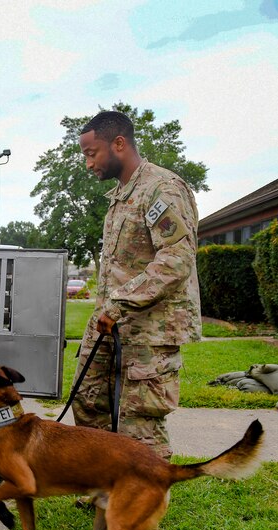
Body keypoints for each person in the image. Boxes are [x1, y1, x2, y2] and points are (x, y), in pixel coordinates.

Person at [72, 110, 201, 459]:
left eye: (91, 153)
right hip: (111, 321)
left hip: (149, 331)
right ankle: (104, 486)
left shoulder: (161, 188)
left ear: (118, 143)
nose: (88, 164)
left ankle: (142, 508)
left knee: (139, 425)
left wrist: (120, 304)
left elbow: (176, 258)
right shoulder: (120, 195)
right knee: (87, 398)